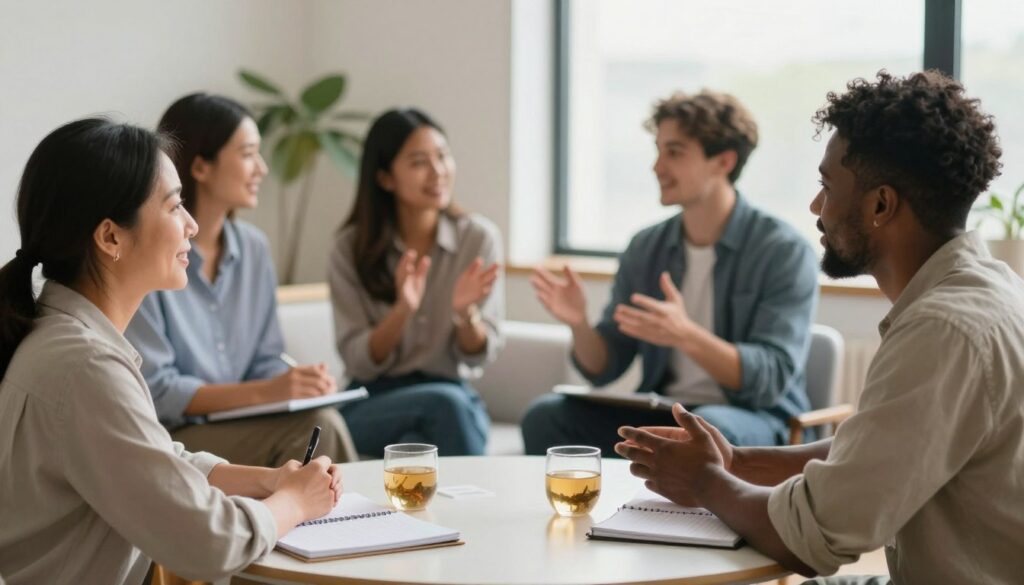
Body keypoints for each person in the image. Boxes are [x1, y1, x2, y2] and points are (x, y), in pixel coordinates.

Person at [615, 70, 1024, 585]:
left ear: (880, 205)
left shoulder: (943, 330)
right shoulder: (987, 287)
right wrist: (736, 459)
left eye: (827, 186)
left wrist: (705, 481)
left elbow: (812, 538)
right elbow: (872, 451)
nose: (815, 206)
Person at [0, 118, 342, 585]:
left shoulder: (69, 340)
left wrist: (271, 481)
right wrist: (296, 503)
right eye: (175, 205)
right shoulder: (84, 366)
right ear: (110, 238)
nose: (192, 224)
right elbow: (211, 543)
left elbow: (159, 461)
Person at [522, 89, 818, 455]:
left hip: (751, 418)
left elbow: (769, 379)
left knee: (707, 429)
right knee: (546, 416)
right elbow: (605, 367)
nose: (657, 166)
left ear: (723, 161)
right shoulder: (647, 248)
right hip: (666, 411)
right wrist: (579, 324)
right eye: (658, 150)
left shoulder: (783, 251)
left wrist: (685, 335)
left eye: (674, 152)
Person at [125, 93, 356, 466]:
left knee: (320, 420)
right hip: (173, 434)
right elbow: (158, 391)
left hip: (247, 423)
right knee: (318, 428)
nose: (262, 168)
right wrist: (266, 391)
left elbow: (265, 359)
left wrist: (296, 383)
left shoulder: (254, 249)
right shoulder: (153, 256)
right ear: (201, 167)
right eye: (248, 154)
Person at [328, 108, 504, 457]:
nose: (438, 171)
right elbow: (358, 361)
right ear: (385, 178)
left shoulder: (479, 239)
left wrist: (465, 314)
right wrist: (402, 310)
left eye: (443, 156)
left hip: (452, 393)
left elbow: (480, 355)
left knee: (432, 422)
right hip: (372, 400)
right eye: (419, 161)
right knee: (446, 407)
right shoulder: (350, 247)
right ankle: (474, 507)